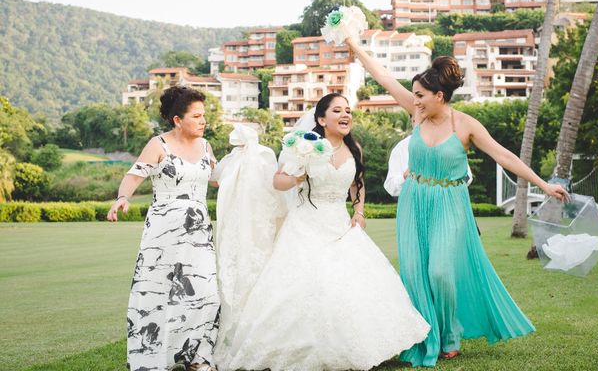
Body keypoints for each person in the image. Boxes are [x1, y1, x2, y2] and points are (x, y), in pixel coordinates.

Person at [345, 37, 569, 367]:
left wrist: (543, 185)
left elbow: (504, 156)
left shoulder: (465, 125)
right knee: (414, 272)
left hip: (450, 203)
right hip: (414, 201)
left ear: (440, 95)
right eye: (414, 95)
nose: (415, 101)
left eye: (421, 95)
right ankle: (423, 335)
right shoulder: (417, 112)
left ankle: (450, 334)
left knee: (438, 272)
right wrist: (354, 43)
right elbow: (383, 77)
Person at [213, 93, 430, 371]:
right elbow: (278, 182)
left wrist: (359, 213)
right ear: (321, 119)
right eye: (337, 110)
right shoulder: (303, 146)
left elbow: (357, 185)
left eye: (348, 111)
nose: (345, 115)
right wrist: (297, 177)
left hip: (340, 225)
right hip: (305, 225)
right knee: (306, 285)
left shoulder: (355, 149)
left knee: (347, 285)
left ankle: (353, 344)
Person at [108, 86, 220, 371]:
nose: (203, 120)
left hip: (198, 231)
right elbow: (133, 176)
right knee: (158, 293)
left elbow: (218, 179)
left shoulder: (206, 146)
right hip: (164, 230)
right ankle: (153, 356)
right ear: (177, 120)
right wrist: (123, 198)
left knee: (205, 293)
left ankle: (197, 356)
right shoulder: (159, 145)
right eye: (196, 116)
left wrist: (248, 164)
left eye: (203, 115)